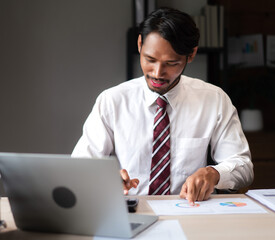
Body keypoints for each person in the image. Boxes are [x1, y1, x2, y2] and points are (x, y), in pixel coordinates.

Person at [72, 7, 253, 205]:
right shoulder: (112, 101)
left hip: (191, 212)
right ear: (140, 44)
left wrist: (213, 173)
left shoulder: (214, 100)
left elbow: (244, 167)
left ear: (191, 54)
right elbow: (80, 167)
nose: (158, 72)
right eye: (150, 60)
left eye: (171, 63)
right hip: (131, 210)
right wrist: (105, 178)